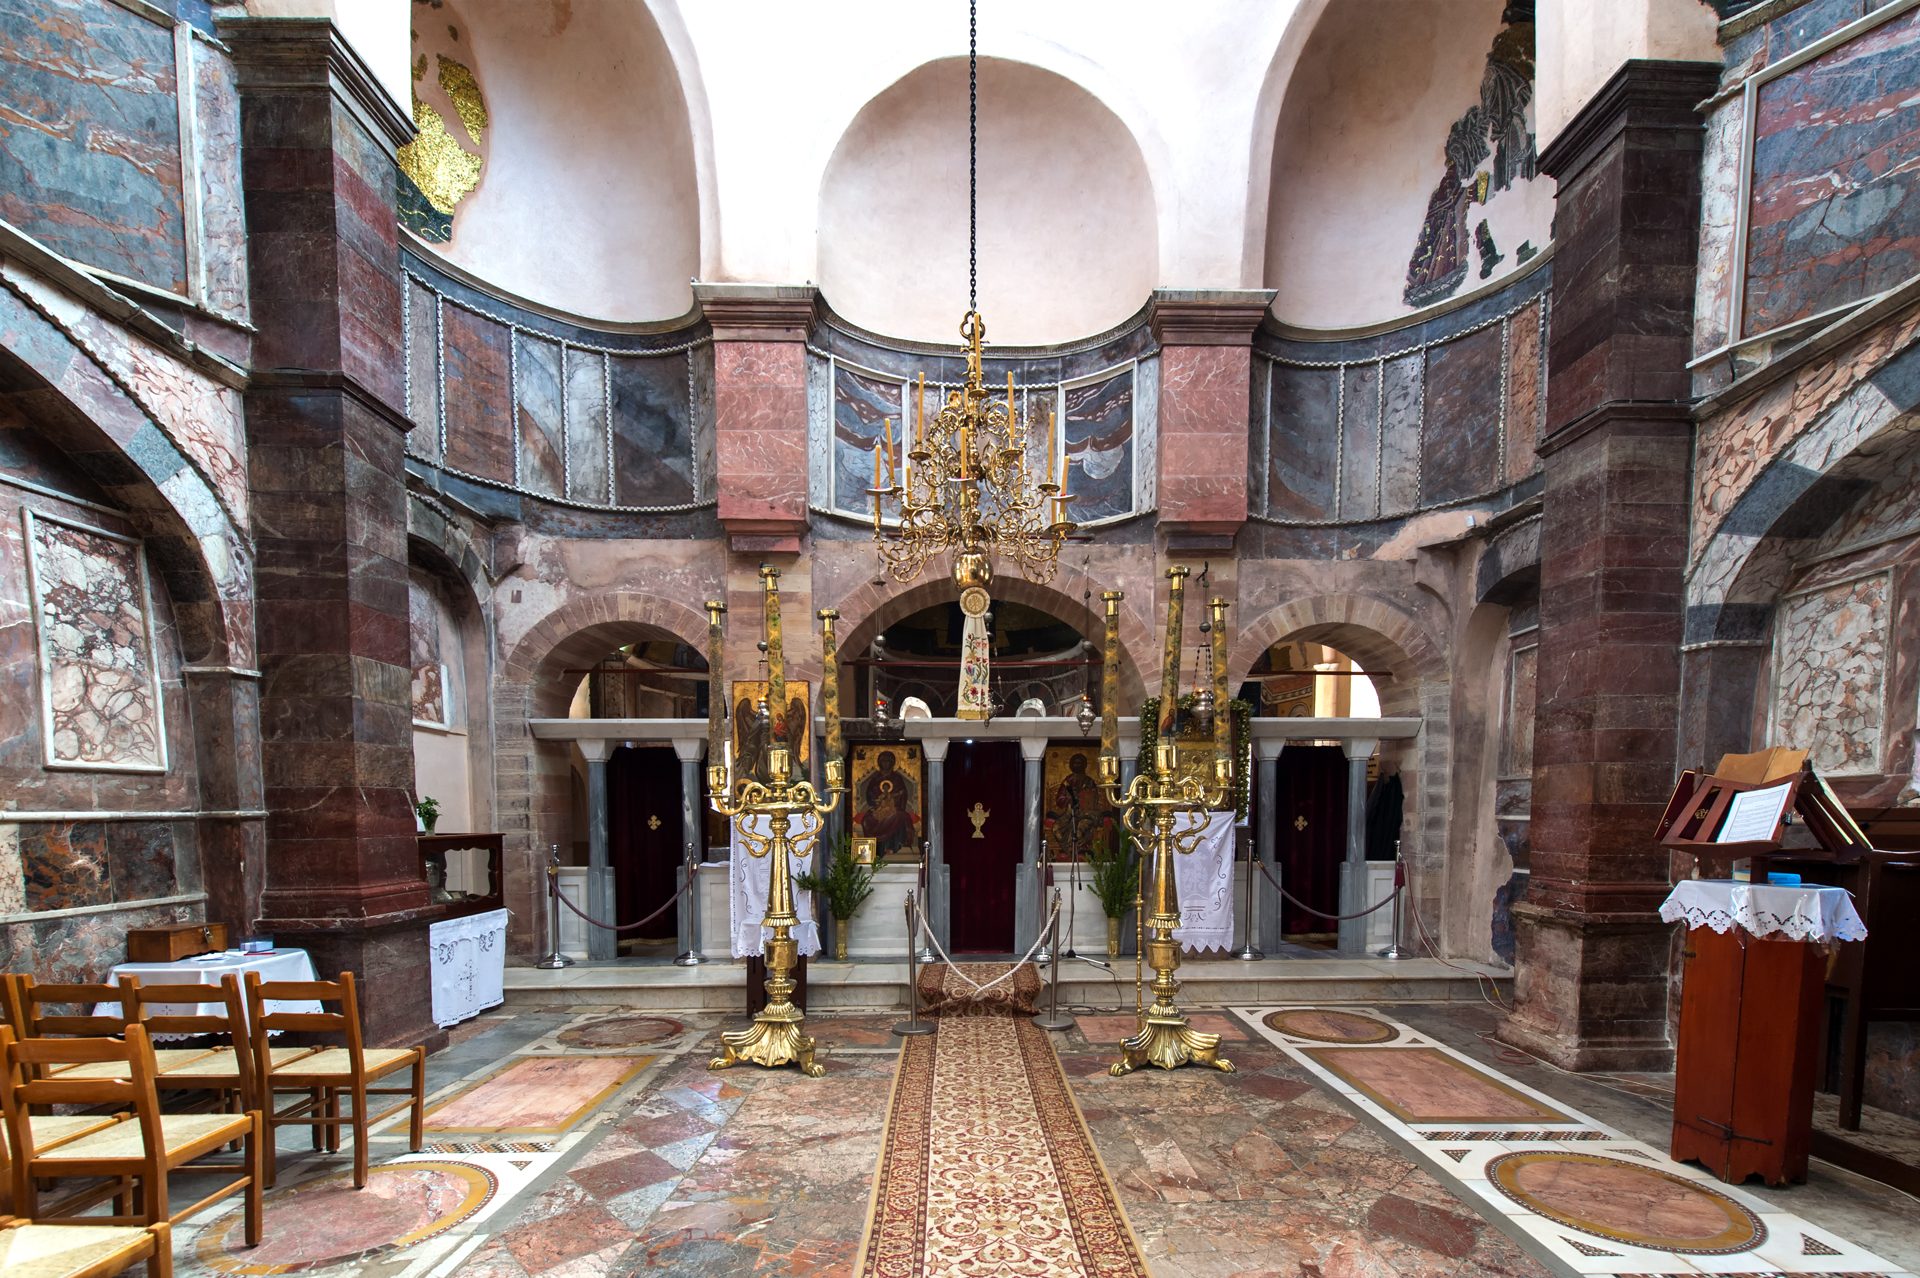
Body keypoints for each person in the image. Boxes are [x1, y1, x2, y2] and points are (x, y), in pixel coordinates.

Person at [859, 749, 920, 858]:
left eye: (888, 761)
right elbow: (869, 795)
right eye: (883, 761)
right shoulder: (875, 779)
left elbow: (903, 793)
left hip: (894, 808)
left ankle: (892, 847)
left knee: (895, 817)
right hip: (877, 808)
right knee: (866, 820)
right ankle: (872, 851)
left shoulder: (897, 778)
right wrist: (873, 806)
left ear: (892, 763)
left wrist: (896, 798)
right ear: (879, 763)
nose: (885, 764)